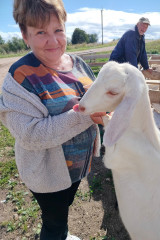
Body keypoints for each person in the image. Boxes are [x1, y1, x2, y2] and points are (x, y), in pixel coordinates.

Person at [0, 0, 107, 239]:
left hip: (79, 168)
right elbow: (30, 135)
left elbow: (94, 97)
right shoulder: (19, 77)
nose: (53, 40)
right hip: (48, 175)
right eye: (41, 32)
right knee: (54, 223)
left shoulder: (77, 63)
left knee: (65, 206)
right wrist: (86, 115)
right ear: (25, 36)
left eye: (58, 30)